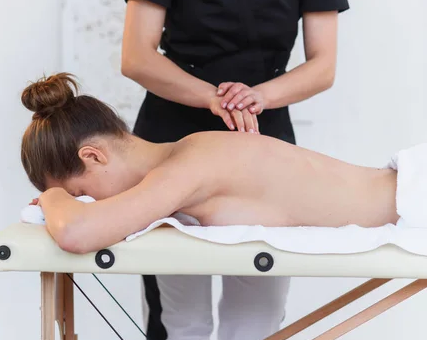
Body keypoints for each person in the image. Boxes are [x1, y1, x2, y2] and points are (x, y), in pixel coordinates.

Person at [118, 0, 350, 340]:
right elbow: (136, 56)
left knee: (258, 309)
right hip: (171, 144)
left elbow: (323, 66)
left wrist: (260, 97)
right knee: (180, 314)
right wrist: (212, 97)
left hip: (263, 146)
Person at [20, 72, 397, 259]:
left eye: (80, 193)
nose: (86, 202)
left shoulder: (186, 167)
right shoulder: (185, 156)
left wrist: (53, 198)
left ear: (93, 156)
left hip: (422, 197)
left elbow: (75, 234)